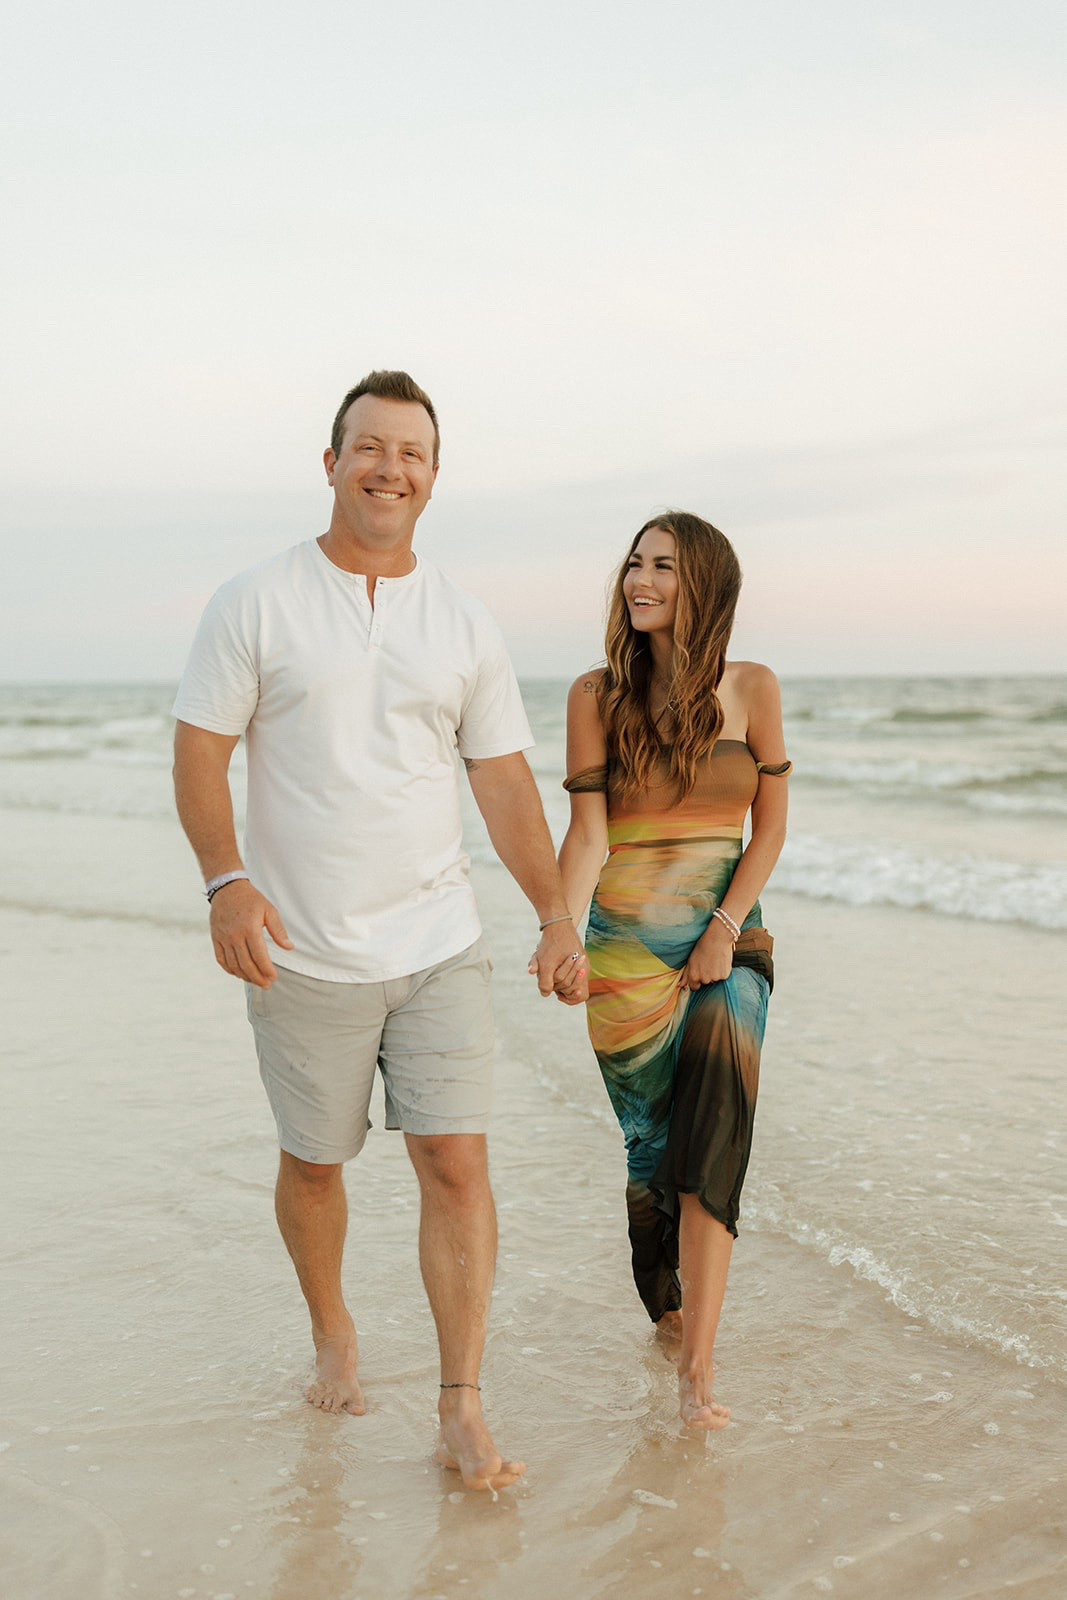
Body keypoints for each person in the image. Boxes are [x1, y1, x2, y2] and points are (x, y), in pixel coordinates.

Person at [171, 370, 587, 1493]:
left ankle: (459, 1403)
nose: (388, 468)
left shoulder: (461, 620)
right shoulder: (253, 600)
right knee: (315, 1163)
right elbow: (201, 749)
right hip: (300, 949)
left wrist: (554, 913)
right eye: (368, 447)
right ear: (331, 461)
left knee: (455, 1161)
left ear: (434, 477)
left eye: (409, 452)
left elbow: (501, 782)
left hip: (438, 942)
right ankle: (333, 1331)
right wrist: (225, 880)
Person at [556, 511, 790, 1429]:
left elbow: (767, 828)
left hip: (729, 944)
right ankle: (668, 1313)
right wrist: (557, 927)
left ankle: (699, 1373)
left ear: (705, 583)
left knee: (714, 1142)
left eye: (662, 566)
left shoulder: (753, 688)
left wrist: (724, 928)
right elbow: (587, 836)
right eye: (633, 564)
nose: (639, 580)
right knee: (651, 1157)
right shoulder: (594, 695)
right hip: (623, 956)